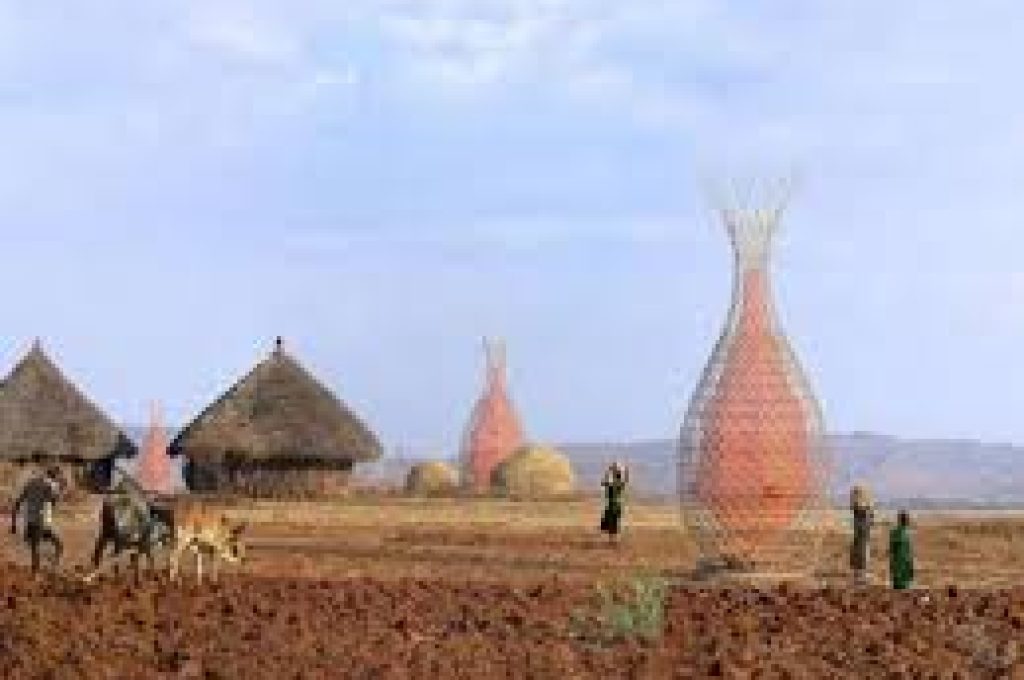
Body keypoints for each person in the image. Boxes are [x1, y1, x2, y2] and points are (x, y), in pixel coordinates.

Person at [10, 466, 64, 574]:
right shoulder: (49, 486)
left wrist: (13, 524)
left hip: (30, 521)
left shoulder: (30, 483)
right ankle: (41, 571)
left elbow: (17, 503)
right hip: (41, 521)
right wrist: (58, 492)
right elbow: (52, 502)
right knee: (56, 545)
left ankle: (43, 569)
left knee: (36, 548)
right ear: (54, 476)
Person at [599, 461, 629, 545]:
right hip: (615, 506)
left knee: (612, 523)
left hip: (612, 505)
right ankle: (613, 539)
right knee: (614, 523)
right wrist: (625, 471)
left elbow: (603, 482)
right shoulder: (618, 484)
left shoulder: (612, 484)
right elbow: (626, 480)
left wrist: (608, 471)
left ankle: (612, 539)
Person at [849, 485, 874, 586]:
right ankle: (861, 573)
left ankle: (859, 572)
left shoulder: (857, 513)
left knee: (859, 547)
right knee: (863, 548)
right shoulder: (863, 514)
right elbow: (869, 519)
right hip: (862, 533)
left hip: (860, 533)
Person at [889, 509, 915, 590]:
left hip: (899, 561)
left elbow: (892, 548)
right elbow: (909, 551)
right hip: (903, 561)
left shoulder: (895, 532)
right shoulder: (907, 533)